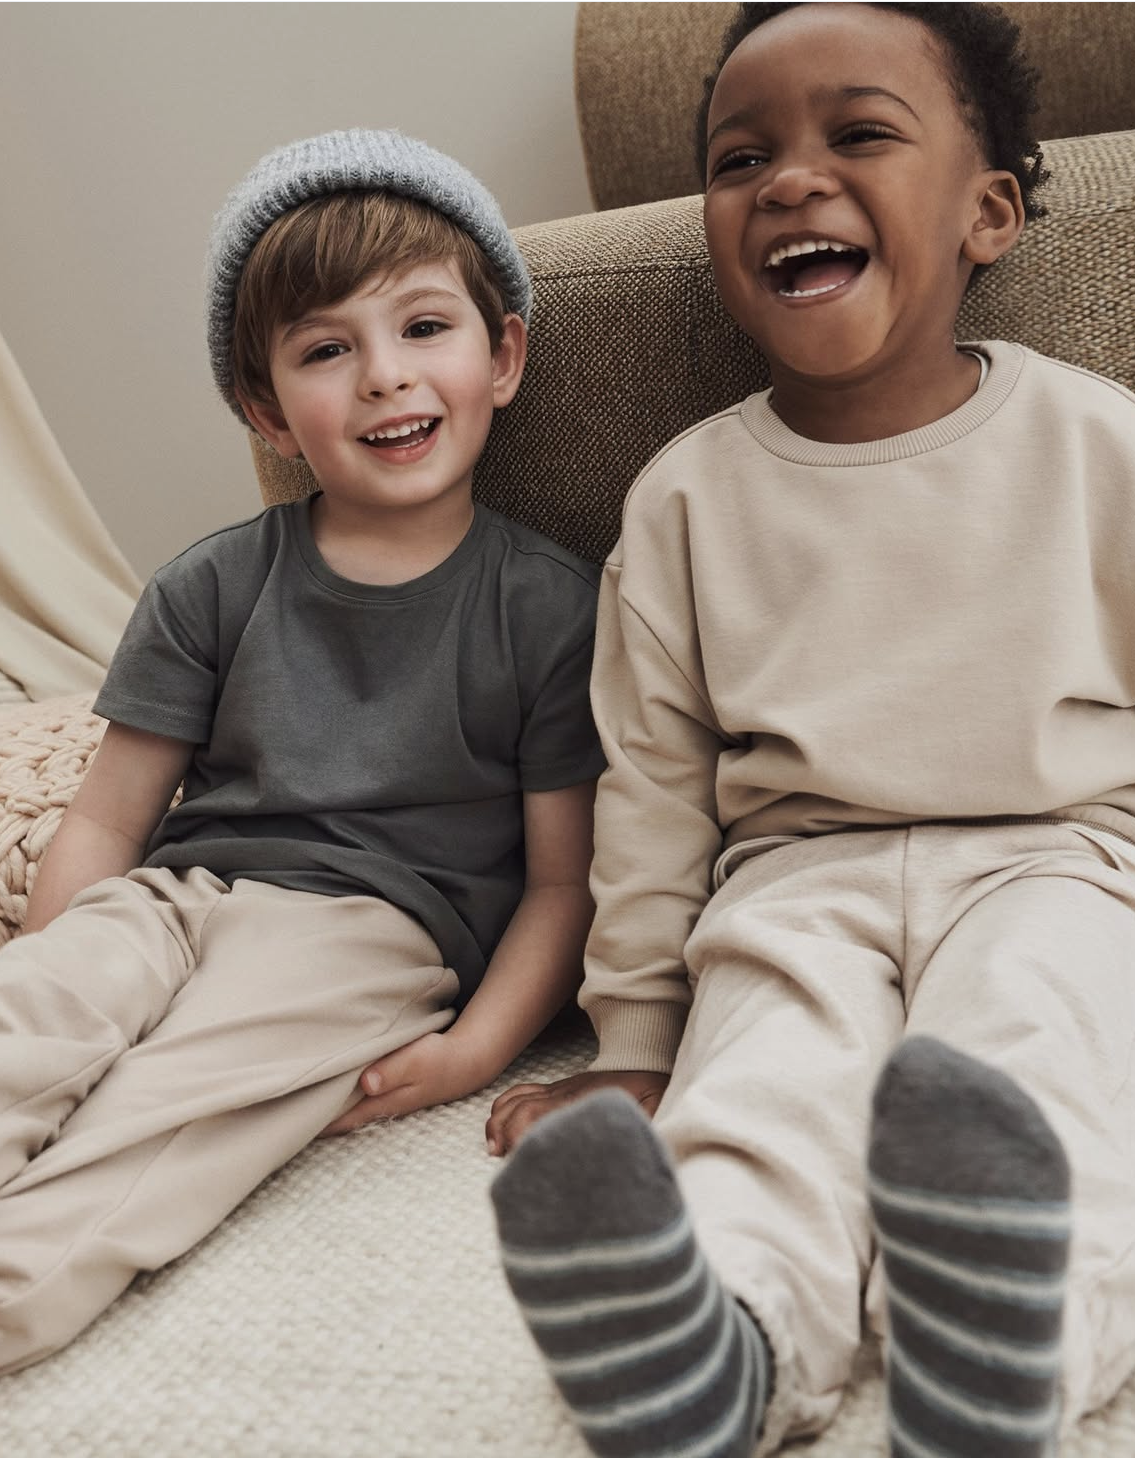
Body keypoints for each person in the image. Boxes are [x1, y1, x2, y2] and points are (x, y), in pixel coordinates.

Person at [485, 6, 1135, 1458]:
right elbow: (651, 784)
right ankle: (717, 1345)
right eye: (740, 159)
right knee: (761, 1085)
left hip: (1057, 857)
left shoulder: (1099, 443)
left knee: (1030, 1058)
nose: (788, 179)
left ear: (987, 214)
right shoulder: (685, 498)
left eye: (857, 134)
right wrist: (633, 1039)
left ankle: (1002, 1347)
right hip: (794, 879)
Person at [0, 128, 603, 1373]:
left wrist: (477, 1048)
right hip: (180, 890)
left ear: (502, 355)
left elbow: (562, 879)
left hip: (370, 929)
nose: (384, 376)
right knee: (38, 1012)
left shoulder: (549, 609)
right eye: (328, 349)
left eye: (422, 327)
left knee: (176, 1107)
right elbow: (108, 821)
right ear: (269, 412)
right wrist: (67, 955)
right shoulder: (210, 586)